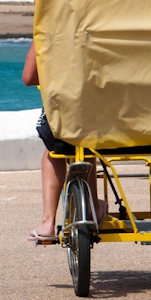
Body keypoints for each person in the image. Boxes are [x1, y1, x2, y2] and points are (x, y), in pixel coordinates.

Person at [23, 42, 107, 242]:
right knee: (87, 145)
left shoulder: (50, 30)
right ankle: (93, 205)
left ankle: (47, 222)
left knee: (53, 150)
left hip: (64, 116)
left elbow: (29, 78)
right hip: (111, 118)